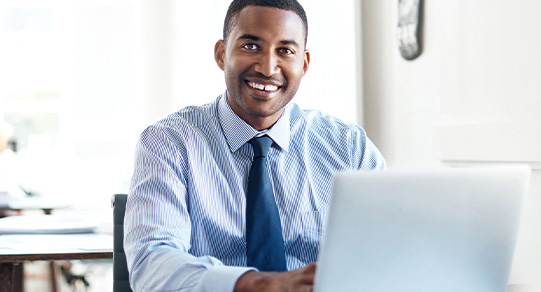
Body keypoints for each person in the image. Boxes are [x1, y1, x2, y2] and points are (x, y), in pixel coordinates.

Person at [125, 0, 386, 291]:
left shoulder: (350, 149)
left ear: (304, 63)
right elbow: (151, 265)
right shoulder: (168, 143)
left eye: (285, 51)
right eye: (251, 46)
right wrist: (257, 284)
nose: (267, 67)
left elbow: (389, 250)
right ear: (222, 54)